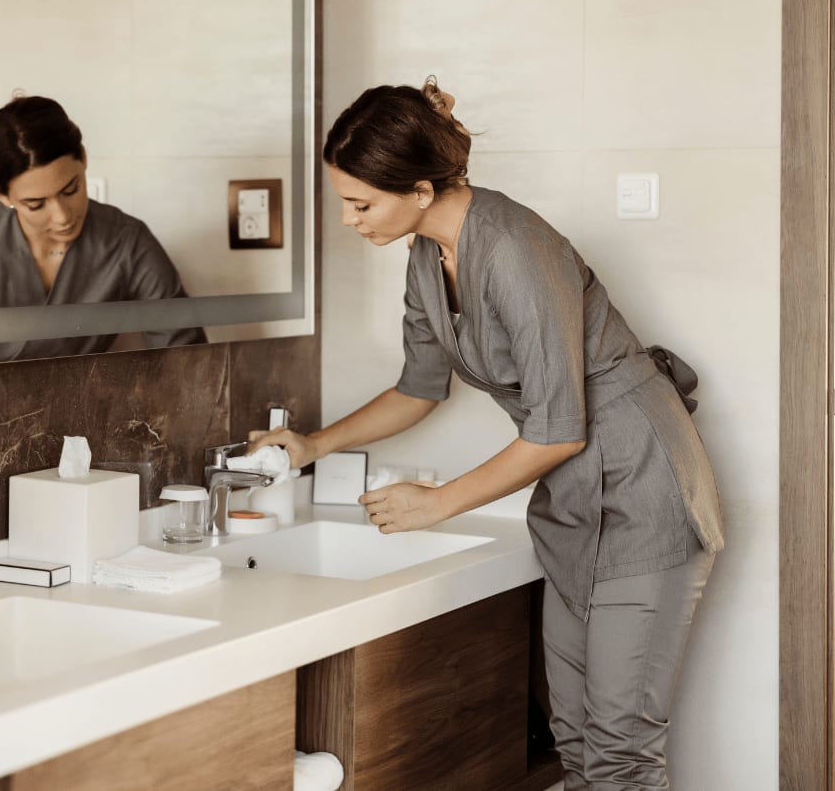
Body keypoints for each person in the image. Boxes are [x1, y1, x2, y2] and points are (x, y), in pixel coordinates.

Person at [249, 77, 723, 789]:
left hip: (643, 493)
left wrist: (438, 504)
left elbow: (559, 429)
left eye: (360, 203)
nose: (349, 220)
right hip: (570, 506)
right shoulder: (426, 256)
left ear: (418, 188)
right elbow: (419, 387)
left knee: (621, 749)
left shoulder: (517, 250)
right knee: (577, 742)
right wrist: (315, 445)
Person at [0, 95, 206, 366]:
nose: (62, 217)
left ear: (83, 158)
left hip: (89, 404)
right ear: (3, 195)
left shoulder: (127, 241)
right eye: (35, 204)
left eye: (71, 189)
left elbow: (186, 358)